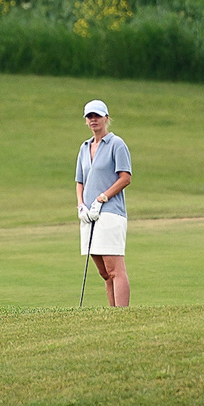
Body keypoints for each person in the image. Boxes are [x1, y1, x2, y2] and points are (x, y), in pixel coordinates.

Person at [75, 98, 131, 308]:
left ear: (106, 118)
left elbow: (125, 177)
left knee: (115, 269)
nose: (93, 120)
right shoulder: (84, 147)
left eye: (97, 115)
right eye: (89, 116)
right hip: (89, 215)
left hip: (110, 213)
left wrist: (103, 197)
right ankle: (112, 315)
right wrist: (81, 205)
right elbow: (80, 181)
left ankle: (121, 315)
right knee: (105, 273)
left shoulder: (116, 144)